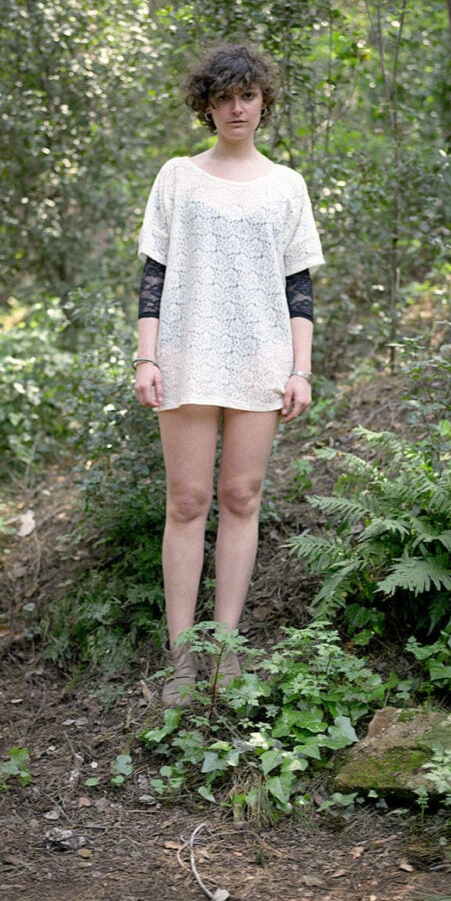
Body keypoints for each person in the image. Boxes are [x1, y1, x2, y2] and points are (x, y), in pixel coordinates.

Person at [133, 43, 325, 707]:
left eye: (247, 95)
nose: (236, 108)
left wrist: (301, 369)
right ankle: (182, 661)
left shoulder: (286, 186)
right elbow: (154, 274)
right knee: (187, 502)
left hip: (261, 359)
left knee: (242, 497)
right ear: (206, 107)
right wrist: (146, 356)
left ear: (263, 102)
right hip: (186, 353)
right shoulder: (178, 178)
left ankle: (226, 651)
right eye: (223, 98)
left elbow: (298, 286)